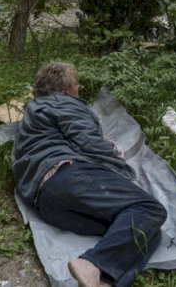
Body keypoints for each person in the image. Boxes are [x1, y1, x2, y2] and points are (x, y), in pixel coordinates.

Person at [13, 62, 166, 287]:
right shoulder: (63, 103)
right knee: (150, 208)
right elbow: (89, 141)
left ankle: (103, 281)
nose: (79, 90)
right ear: (65, 91)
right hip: (66, 175)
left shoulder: (35, 112)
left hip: (48, 202)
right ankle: (91, 263)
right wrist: (124, 171)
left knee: (146, 232)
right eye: (77, 86)